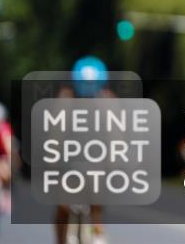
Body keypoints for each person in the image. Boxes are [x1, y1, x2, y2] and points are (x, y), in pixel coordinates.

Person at [55, 56, 112, 244]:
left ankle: (97, 229)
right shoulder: (66, 97)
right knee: (63, 205)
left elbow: (117, 133)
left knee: (96, 194)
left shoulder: (108, 100)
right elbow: (55, 131)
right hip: (69, 158)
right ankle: (61, 239)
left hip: (96, 158)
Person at [0, 101, 12, 235]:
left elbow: (8, 147)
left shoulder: (4, 128)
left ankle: (5, 192)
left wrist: (8, 164)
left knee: (5, 172)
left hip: (1, 155)